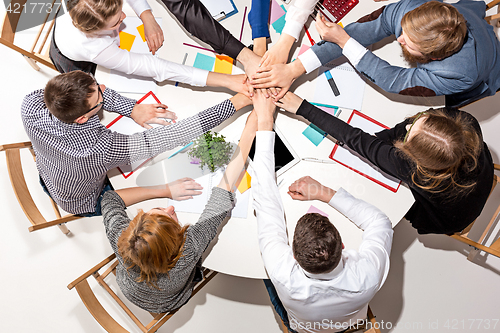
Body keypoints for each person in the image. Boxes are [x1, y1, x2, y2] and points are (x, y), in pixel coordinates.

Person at [251, 90, 393, 333]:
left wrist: (264, 122)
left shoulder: (283, 274)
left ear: (294, 257)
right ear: (343, 245)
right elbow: (380, 223)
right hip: (349, 318)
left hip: (304, 328)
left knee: (260, 266)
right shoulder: (367, 276)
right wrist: (324, 192)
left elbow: (266, 202)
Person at [21, 70, 251, 216]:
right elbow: (173, 135)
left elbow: (91, 94)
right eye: (100, 98)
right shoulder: (98, 148)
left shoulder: (31, 105)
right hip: (83, 200)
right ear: (81, 118)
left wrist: (131, 108)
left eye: (97, 84)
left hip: (49, 172)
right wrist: (237, 102)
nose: (104, 91)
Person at [100, 108, 257, 313]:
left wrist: (164, 190)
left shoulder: (122, 239)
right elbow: (222, 195)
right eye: (172, 217)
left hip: (128, 289)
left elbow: (111, 198)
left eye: (158, 209)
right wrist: (253, 126)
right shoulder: (187, 253)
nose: (171, 206)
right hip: (170, 301)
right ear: (176, 246)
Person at [275, 91, 494, 235]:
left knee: (392, 196)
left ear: (417, 159)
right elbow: (388, 136)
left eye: (409, 138)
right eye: (419, 121)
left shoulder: (414, 170)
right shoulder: (467, 122)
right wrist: (380, 144)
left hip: (450, 217)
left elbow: (355, 139)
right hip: (480, 176)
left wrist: (303, 108)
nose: (408, 127)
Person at [252, 0, 500, 107]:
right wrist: (295, 68)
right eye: (403, 31)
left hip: (490, 68)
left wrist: (343, 40)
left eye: (409, 43)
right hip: (468, 13)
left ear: (433, 58)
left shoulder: (458, 74)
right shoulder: (411, 10)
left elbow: (393, 80)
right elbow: (361, 32)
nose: (399, 38)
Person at [50, 0, 249, 94]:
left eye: (120, 10)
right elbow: (156, 68)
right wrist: (227, 80)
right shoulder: (93, 47)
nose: (124, 17)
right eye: (116, 23)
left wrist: (146, 16)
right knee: (90, 91)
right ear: (95, 31)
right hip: (69, 58)